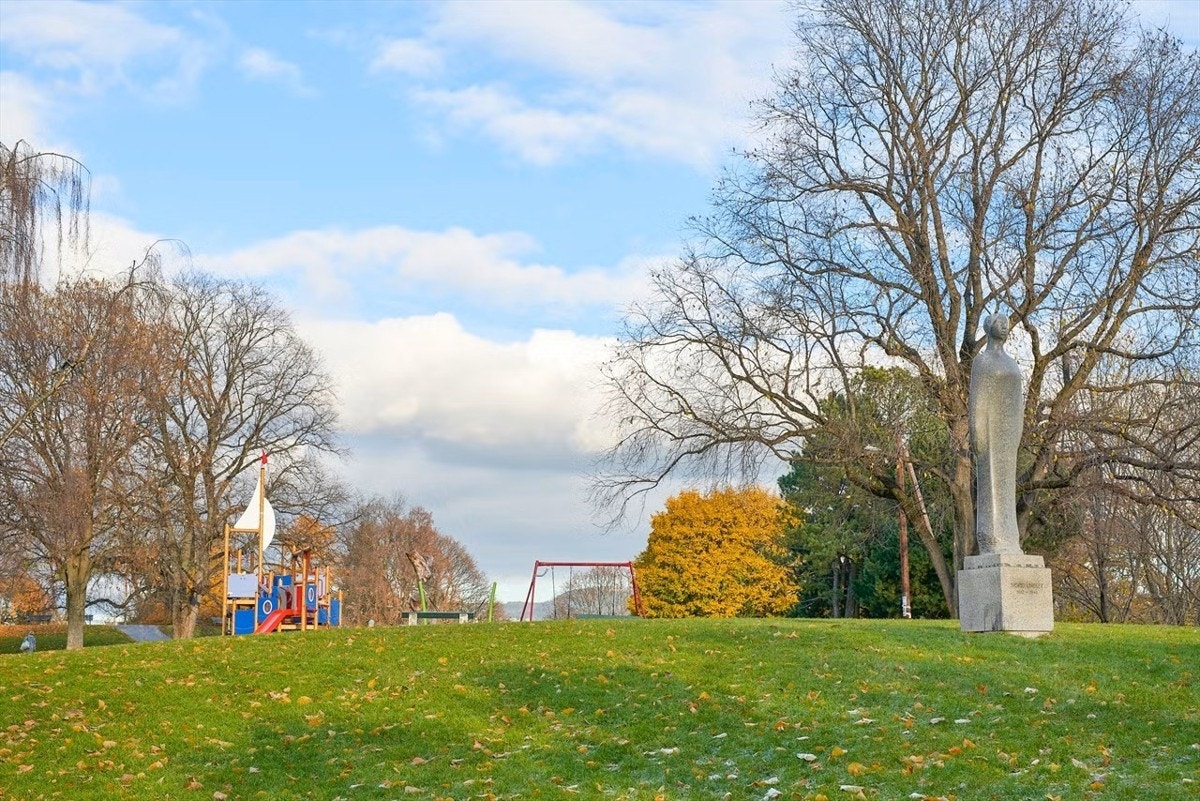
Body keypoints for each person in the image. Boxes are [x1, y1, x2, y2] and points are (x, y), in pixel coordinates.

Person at [969, 314, 1024, 554]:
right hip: (990, 429)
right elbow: (977, 400)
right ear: (989, 327)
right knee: (990, 483)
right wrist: (977, 432)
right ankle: (990, 538)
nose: (1005, 326)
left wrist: (1019, 428)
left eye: (1008, 323)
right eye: (1000, 322)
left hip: (1009, 430)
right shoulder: (982, 362)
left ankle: (1010, 539)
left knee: (1006, 484)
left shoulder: (1012, 363)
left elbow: (1019, 400)